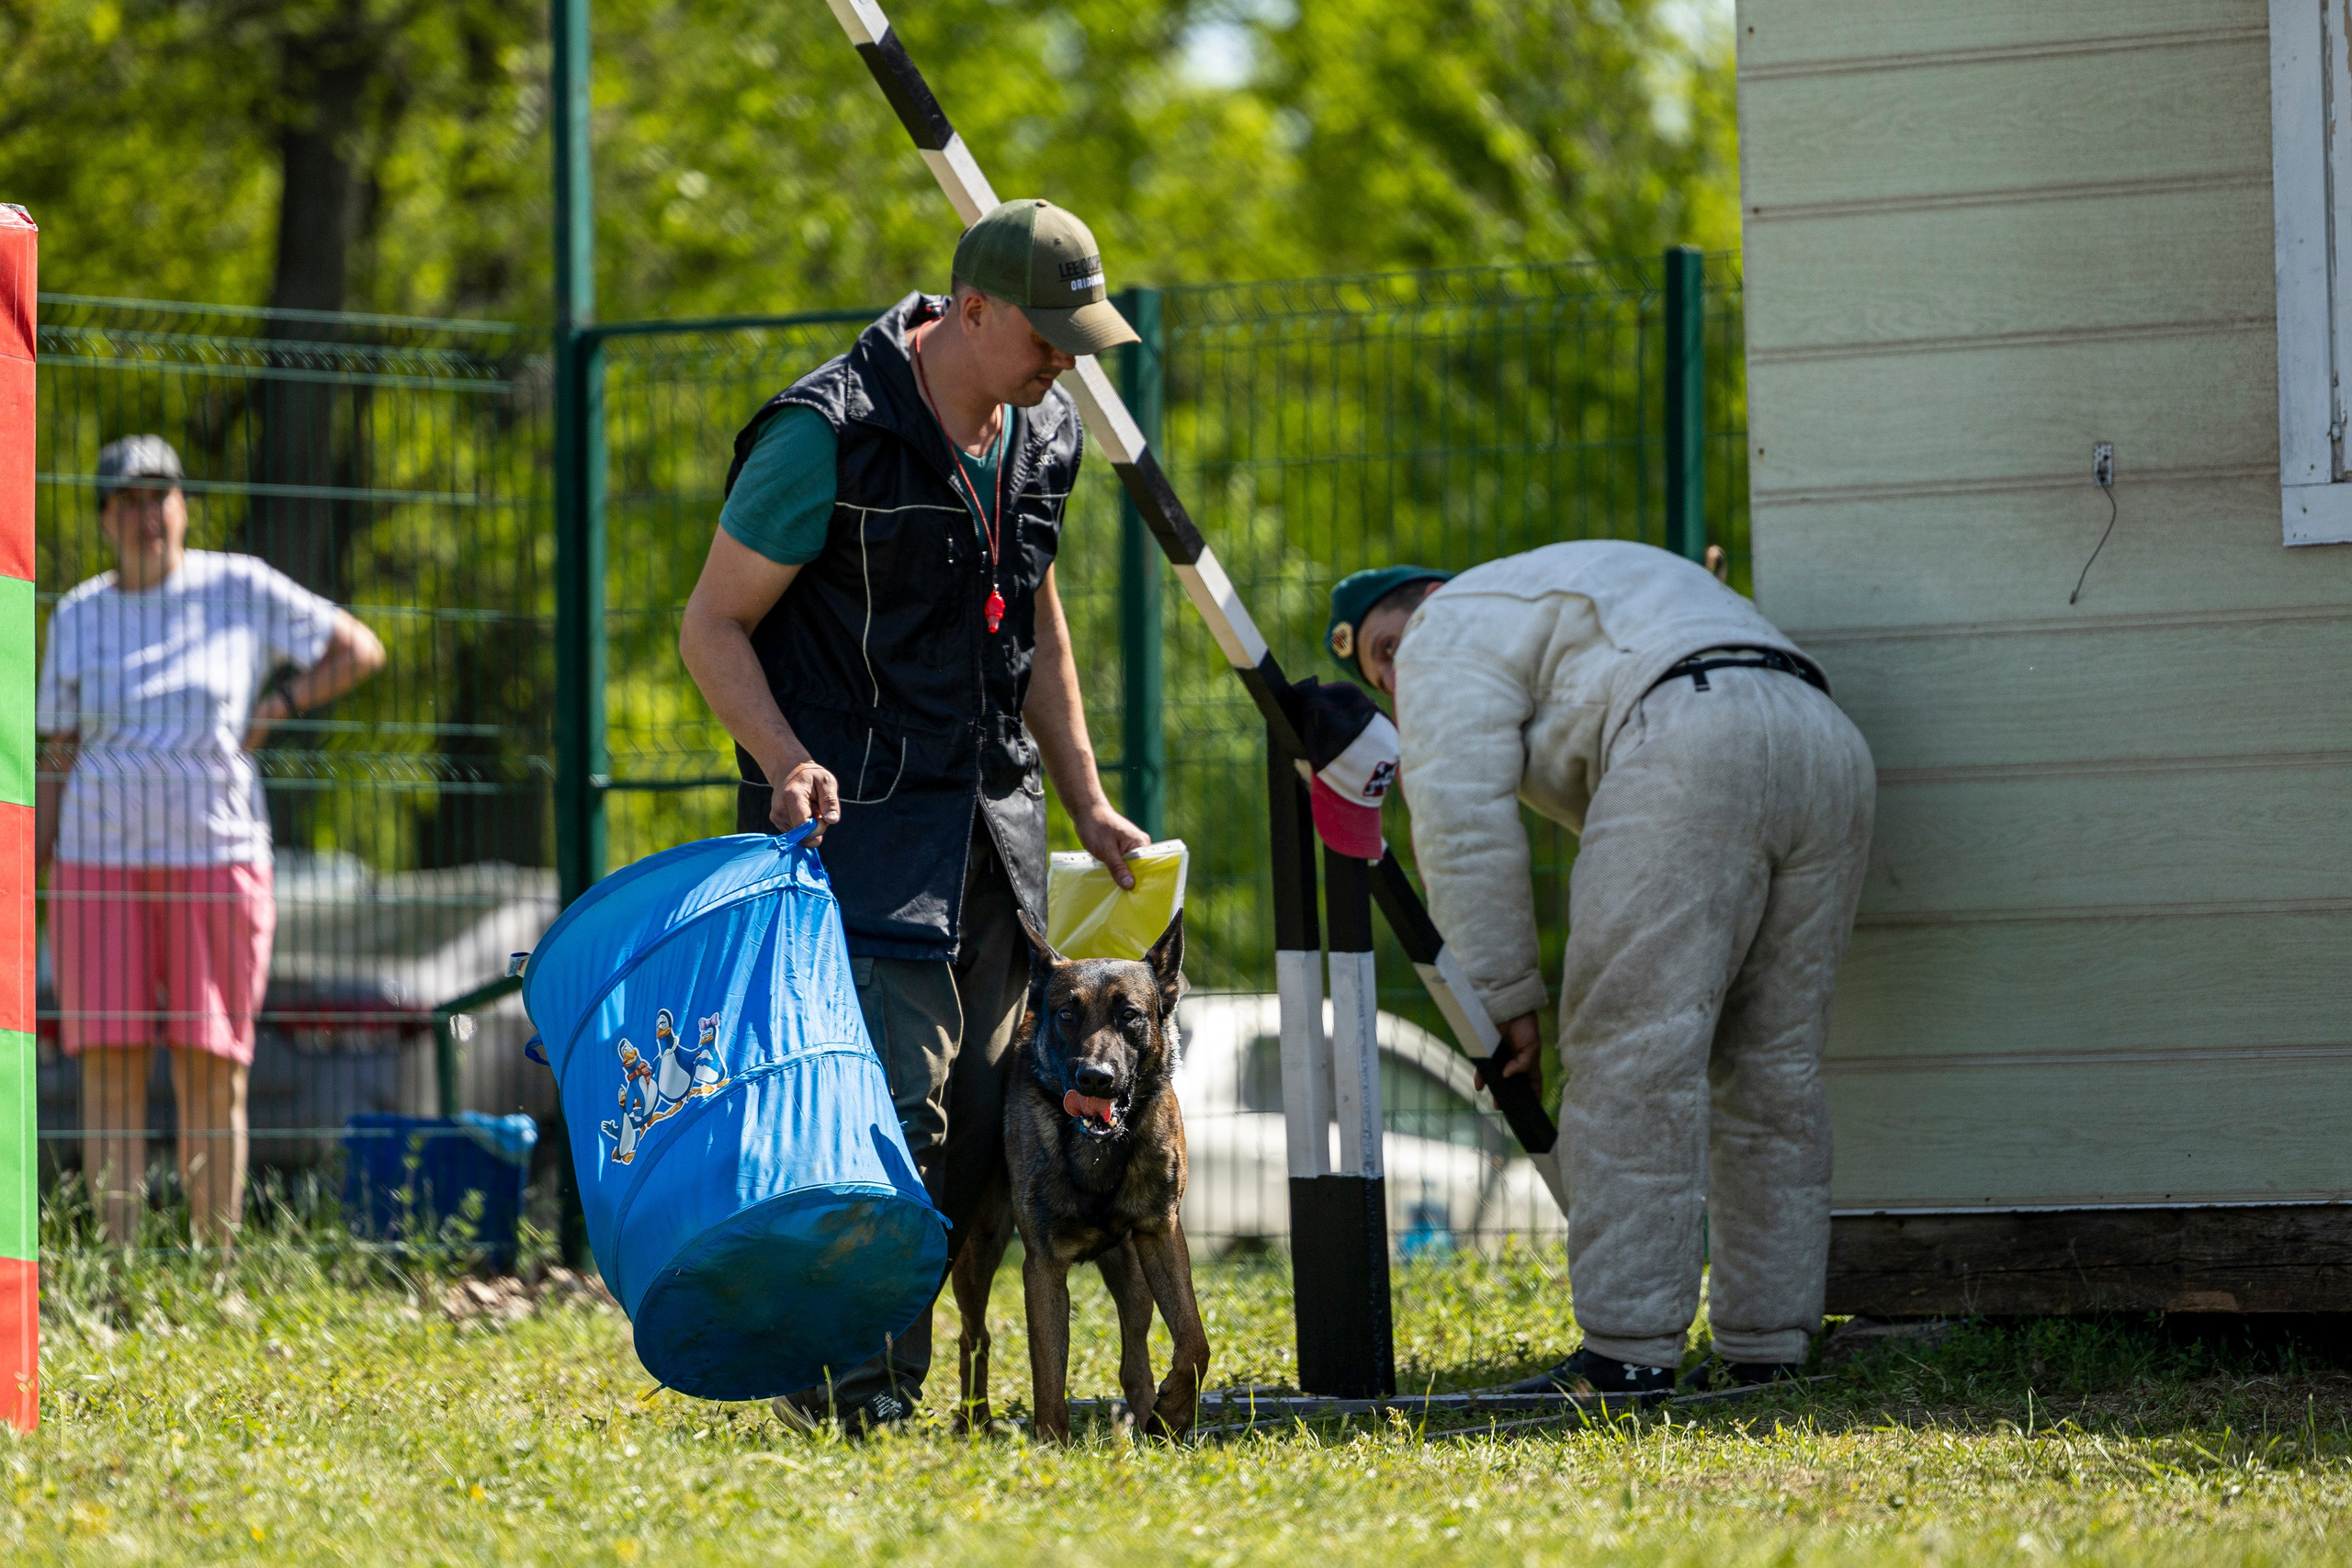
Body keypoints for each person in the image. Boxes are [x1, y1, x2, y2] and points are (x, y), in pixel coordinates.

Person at [678, 198, 1148, 1430]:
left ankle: (961, 1380)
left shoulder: (1043, 433)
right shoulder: (825, 435)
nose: (1065, 358)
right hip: (856, 831)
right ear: (972, 310)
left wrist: (1086, 796)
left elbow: (1034, 620)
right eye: (1048, 333)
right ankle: (848, 1388)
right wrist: (782, 758)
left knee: (996, 1120)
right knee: (892, 1107)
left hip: (992, 824)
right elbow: (711, 626)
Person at [1327, 540, 1876, 1393]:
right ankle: (1768, 1347)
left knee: (1631, 1055)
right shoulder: (1569, 585)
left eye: (1389, 644)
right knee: (1772, 1071)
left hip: (1691, 725)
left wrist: (1501, 994)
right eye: (1380, 669)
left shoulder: (1448, 622)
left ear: (1430, 597)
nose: (1398, 676)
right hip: (1827, 739)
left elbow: (1460, 821)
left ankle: (1626, 1351)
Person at [35, 435, 386, 1247]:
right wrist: (31, 875)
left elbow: (358, 646)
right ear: (103, 520)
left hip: (215, 858)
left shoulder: (239, 586)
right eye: (125, 501)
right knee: (110, 1067)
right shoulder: (78, 613)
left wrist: (280, 705)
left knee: (213, 1064)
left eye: (159, 496)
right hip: (97, 864)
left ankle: (215, 1267)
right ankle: (117, 1263)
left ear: (184, 505)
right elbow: (55, 753)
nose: (145, 514)